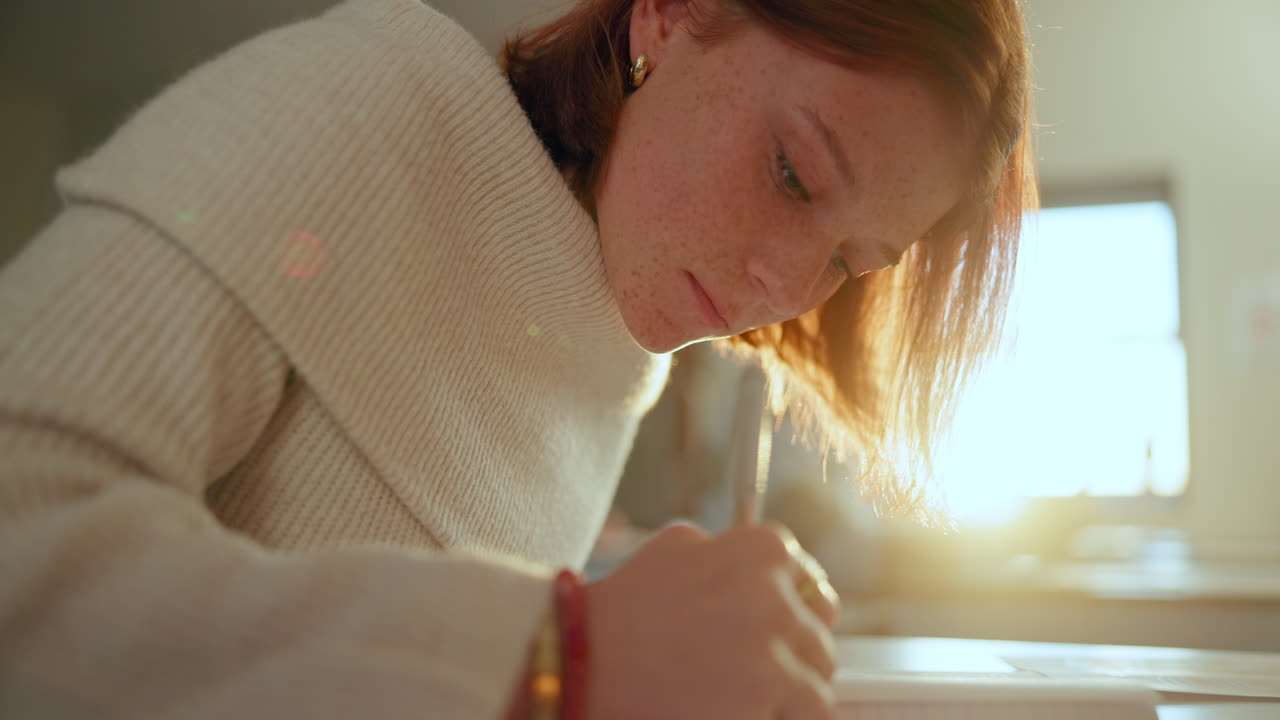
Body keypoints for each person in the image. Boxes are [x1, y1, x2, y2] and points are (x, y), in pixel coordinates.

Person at [0, 0, 1034, 717]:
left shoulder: (614, 363)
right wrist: (557, 658)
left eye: (849, 263)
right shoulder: (363, 100)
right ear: (668, 13)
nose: (782, 288)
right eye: (791, 174)